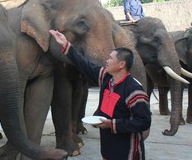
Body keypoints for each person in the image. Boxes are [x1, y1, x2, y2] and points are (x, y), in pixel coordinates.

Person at [49, 29, 151, 160]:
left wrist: (112, 124)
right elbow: (84, 65)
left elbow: (143, 122)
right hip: (108, 144)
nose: (107, 61)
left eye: (110, 58)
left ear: (121, 64)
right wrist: (66, 45)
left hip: (127, 150)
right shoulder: (106, 78)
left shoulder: (134, 91)